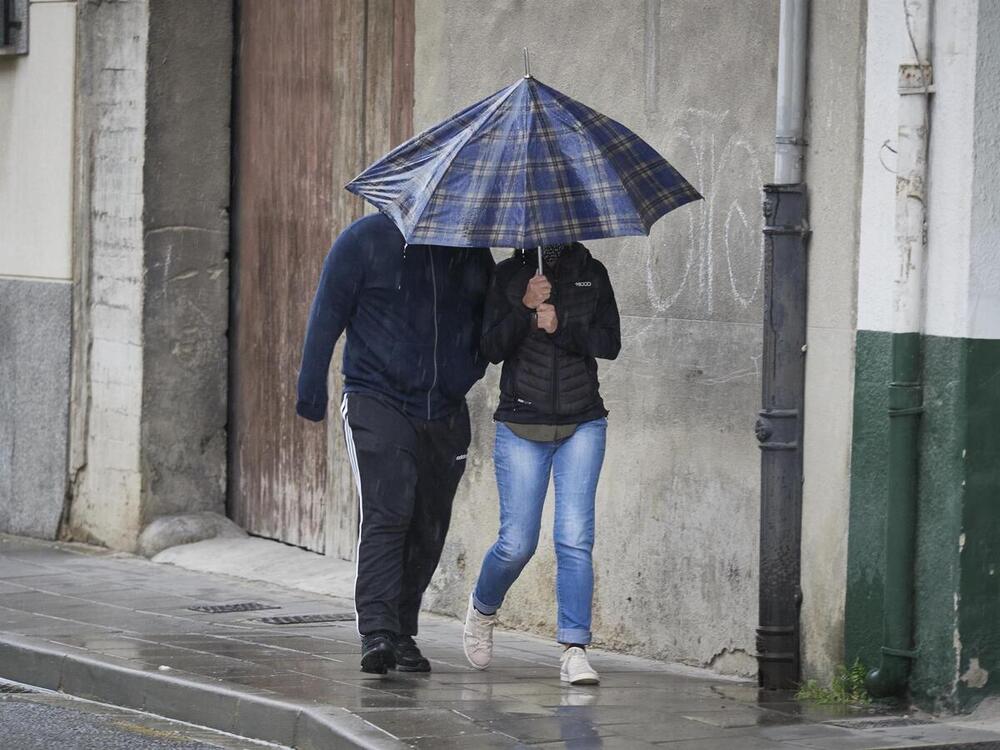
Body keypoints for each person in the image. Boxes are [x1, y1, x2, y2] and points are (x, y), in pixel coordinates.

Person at [297, 211, 493, 674]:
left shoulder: (470, 252)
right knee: (389, 510)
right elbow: (326, 315)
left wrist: (467, 370)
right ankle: (378, 632)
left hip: (444, 410)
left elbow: (489, 329)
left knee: (429, 524)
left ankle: (403, 632)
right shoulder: (364, 241)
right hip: (376, 398)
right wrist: (310, 392)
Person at [462, 242, 621, 685]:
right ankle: (482, 608)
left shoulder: (593, 272)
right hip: (521, 424)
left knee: (574, 539)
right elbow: (490, 347)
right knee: (517, 543)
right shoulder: (509, 275)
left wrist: (561, 323)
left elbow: (611, 343)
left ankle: (574, 648)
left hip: (583, 423)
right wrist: (525, 306)